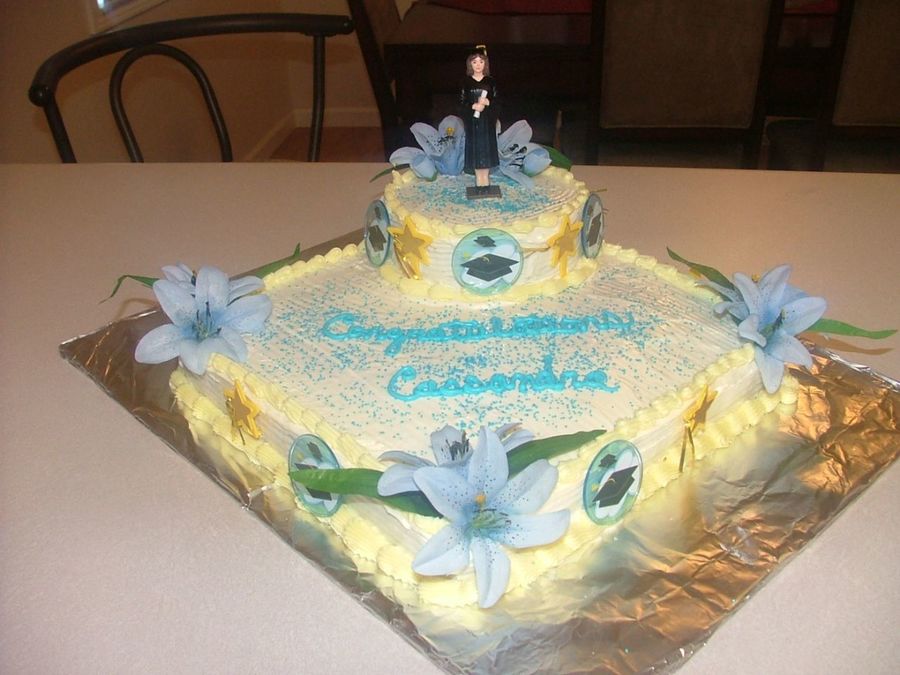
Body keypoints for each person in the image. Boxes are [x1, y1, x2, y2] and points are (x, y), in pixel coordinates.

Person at [460, 46, 500, 197]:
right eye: (474, 62)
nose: (478, 65)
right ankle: (479, 181)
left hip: (487, 123)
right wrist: (473, 106)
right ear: (470, 64)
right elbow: (460, 103)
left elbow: (498, 101)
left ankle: (486, 180)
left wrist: (488, 103)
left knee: (486, 149)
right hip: (473, 123)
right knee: (476, 150)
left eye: (481, 61)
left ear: (485, 64)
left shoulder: (491, 82)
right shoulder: (466, 82)